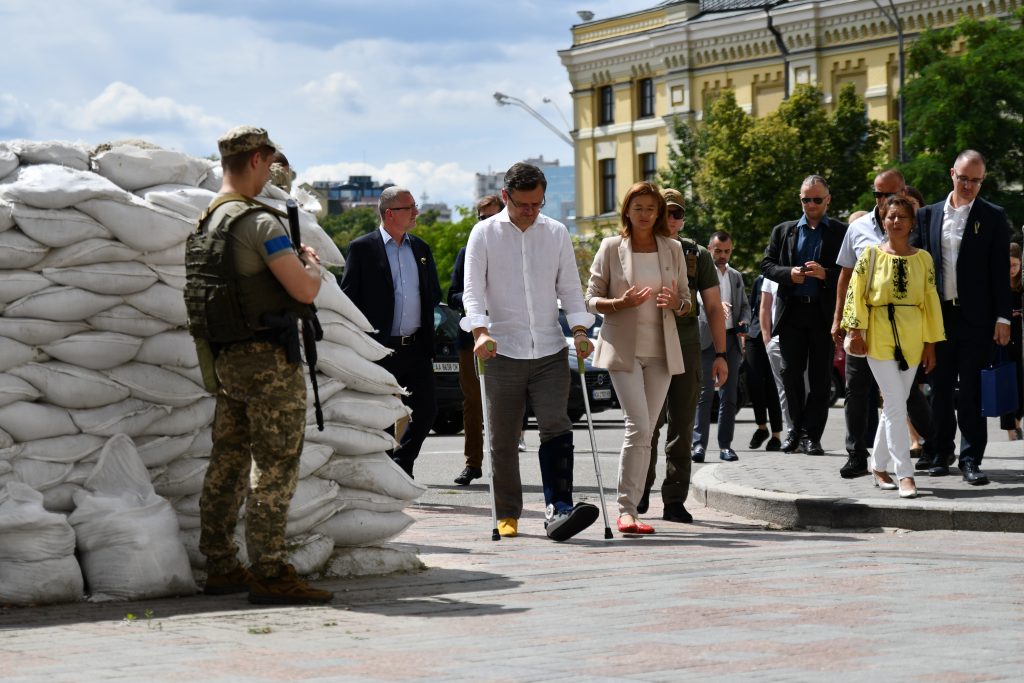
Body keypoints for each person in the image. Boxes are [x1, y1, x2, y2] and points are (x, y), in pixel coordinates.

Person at [191, 125, 331, 604]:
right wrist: (310, 262)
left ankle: (222, 565)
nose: (272, 169)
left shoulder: (207, 222)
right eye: (269, 161)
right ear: (255, 160)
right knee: (274, 468)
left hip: (226, 357)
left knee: (227, 463)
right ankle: (270, 573)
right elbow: (305, 290)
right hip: (268, 362)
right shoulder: (260, 223)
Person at [462, 161, 599, 541]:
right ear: (506, 196)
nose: (531, 211)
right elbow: (472, 290)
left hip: (549, 348)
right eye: (524, 204)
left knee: (556, 426)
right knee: (503, 437)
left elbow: (570, 287)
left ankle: (560, 506)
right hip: (500, 349)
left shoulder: (555, 232)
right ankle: (507, 511)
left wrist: (579, 327)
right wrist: (479, 331)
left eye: (538, 204)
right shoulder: (483, 234)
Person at [585, 181, 691, 534]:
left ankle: (631, 507)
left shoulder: (672, 249)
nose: (645, 214)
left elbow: (687, 302)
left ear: (659, 212)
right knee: (640, 426)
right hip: (623, 351)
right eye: (638, 208)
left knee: (645, 432)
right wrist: (620, 303)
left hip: (661, 352)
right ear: (627, 211)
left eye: (651, 208)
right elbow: (591, 299)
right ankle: (625, 509)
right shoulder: (611, 247)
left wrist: (676, 304)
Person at [830, 169, 937, 479]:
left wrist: (931, 338)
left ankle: (930, 445)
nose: (883, 201)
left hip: (906, 330)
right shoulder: (858, 228)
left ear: (904, 192)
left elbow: (929, 289)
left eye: (890, 194)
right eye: (878, 194)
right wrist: (841, 320)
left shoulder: (917, 227)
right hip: (865, 325)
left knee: (902, 396)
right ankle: (861, 458)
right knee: (857, 390)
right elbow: (846, 277)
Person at [919, 150, 1013, 484]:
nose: (969, 185)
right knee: (939, 388)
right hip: (938, 317)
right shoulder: (928, 216)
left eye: (976, 180)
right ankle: (940, 453)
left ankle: (971, 459)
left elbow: (1000, 272)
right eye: (963, 178)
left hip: (977, 318)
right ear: (952, 174)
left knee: (972, 391)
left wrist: (1003, 318)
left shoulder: (993, 216)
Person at [340, 187, 442, 478]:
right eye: (409, 207)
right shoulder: (363, 248)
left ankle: (402, 463)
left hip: (416, 348)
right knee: (381, 416)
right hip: (379, 349)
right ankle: (382, 472)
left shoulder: (420, 248)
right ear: (389, 214)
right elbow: (349, 297)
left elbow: (432, 292)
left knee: (426, 411)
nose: (416, 213)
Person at [644, 188, 728, 524]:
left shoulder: (696, 254)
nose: (672, 219)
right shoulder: (638, 248)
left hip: (686, 346)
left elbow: (713, 307)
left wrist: (721, 353)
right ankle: (639, 491)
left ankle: (674, 499)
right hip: (647, 346)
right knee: (646, 425)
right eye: (667, 212)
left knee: (681, 425)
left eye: (678, 213)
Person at [761, 175, 846, 456]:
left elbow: (852, 272)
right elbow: (767, 265)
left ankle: (812, 436)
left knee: (821, 379)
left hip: (822, 314)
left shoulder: (839, 232)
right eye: (805, 199)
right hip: (792, 312)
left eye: (816, 199)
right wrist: (790, 274)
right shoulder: (783, 231)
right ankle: (794, 431)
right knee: (790, 374)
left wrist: (826, 274)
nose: (810, 204)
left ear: (828, 200)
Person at [449, 195, 504, 485]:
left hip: (506, 335)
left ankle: (503, 463)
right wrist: (475, 301)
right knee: (473, 401)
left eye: (492, 216)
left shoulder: (513, 250)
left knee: (503, 402)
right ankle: (473, 464)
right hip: (471, 336)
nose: (486, 223)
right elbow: (452, 295)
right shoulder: (466, 251)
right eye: (482, 218)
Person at [693, 231, 750, 462]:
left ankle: (725, 446)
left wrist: (744, 320)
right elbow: (697, 298)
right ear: (709, 249)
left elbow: (745, 305)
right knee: (704, 395)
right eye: (718, 251)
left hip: (731, 340)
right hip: (707, 340)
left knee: (729, 396)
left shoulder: (735, 276)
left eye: (727, 251)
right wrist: (716, 305)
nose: (723, 255)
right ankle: (698, 446)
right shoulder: (700, 272)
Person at [744, 274, 784, 452]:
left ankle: (776, 435)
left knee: (773, 386)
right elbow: (754, 306)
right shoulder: (760, 280)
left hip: (776, 337)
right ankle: (762, 427)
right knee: (753, 382)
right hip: (755, 336)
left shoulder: (787, 277)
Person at [1000, 242, 1022, 440]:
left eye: (1015, 265)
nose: (1011, 270)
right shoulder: (998, 285)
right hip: (1004, 339)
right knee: (1007, 383)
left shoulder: (1021, 286)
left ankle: (1017, 422)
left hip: (1020, 338)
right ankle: (1011, 431)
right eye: (1008, 265)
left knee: (1021, 383)